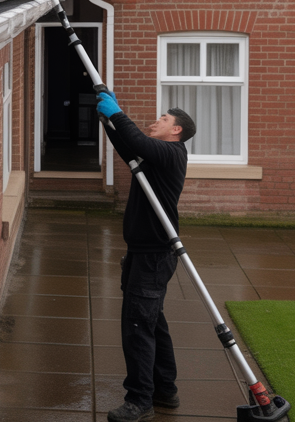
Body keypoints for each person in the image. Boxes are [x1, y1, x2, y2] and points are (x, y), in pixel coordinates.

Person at [95, 90, 196, 422]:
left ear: (176, 130)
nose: (156, 120)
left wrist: (118, 114)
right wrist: (110, 123)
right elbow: (130, 149)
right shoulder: (157, 157)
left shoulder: (171, 153)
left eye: (164, 119)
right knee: (153, 323)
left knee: (138, 327)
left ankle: (140, 400)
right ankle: (165, 390)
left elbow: (138, 141)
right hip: (144, 254)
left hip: (153, 257)